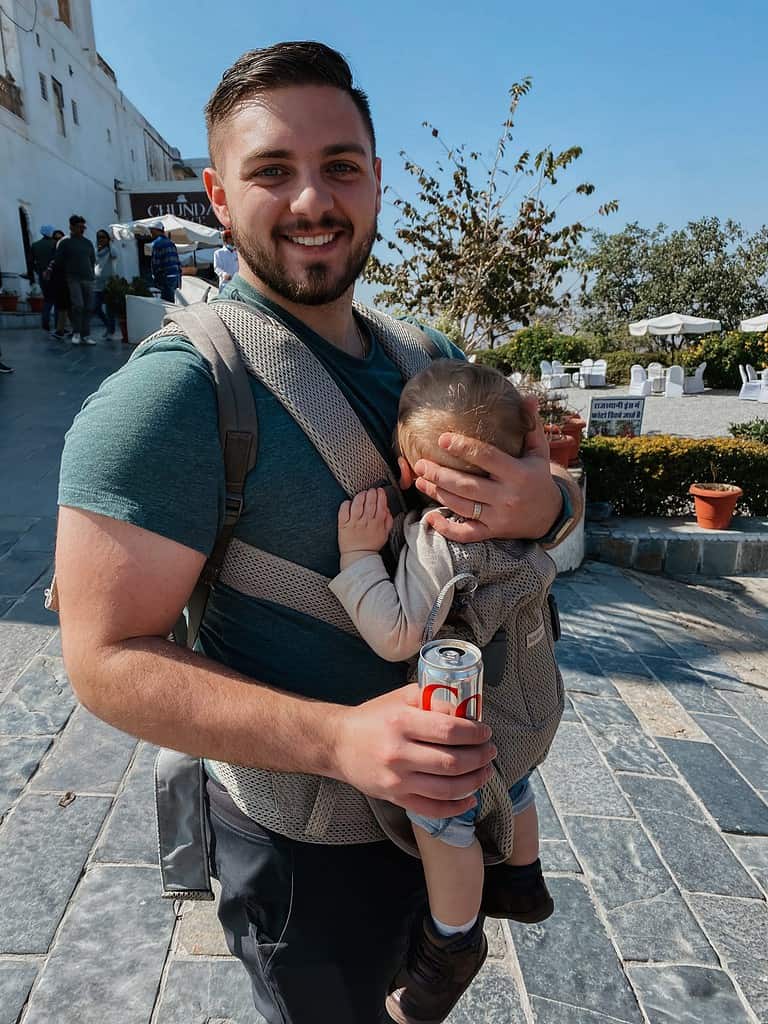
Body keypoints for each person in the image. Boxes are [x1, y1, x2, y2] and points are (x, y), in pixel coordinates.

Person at [54, 42, 581, 1024]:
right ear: (218, 193)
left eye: (340, 165)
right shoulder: (172, 398)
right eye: (271, 171)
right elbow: (103, 658)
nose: (312, 200)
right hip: (308, 858)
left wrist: (547, 507)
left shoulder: (430, 356)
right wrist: (342, 739)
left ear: (378, 183)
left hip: (446, 822)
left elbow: (540, 510)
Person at [332, 359, 560, 1022]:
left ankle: (453, 943)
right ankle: (522, 879)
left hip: (472, 719)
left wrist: (356, 559)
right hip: (531, 706)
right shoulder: (517, 520)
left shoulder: (444, 544)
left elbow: (399, 633)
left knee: (443, 819)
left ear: (407, 472)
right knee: (515, 783)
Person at [54, 215, 96, 345]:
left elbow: (92, 260)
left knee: (89, 307)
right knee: (78, 305)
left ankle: (86, 334)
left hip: (88, 278)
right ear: (71, 227)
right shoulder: (64, 242)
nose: (82, 229)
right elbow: (59, 261)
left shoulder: (87, 242)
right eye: (79, 227)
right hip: (73, 278)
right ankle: (76, 332)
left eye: (83, 227)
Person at [93, 230, 120, 340]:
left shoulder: (111, 250)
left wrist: (110, 244)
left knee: (110, 309)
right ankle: (108, 326)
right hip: (97, 284)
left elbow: (115, 256)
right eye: (99, 237)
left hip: (109, 284)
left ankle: (111, 330)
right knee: (96, 307)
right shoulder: (95, 251)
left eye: (103, 237)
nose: (101, 239)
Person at [30, 225, 58, 331]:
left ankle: (45, 322)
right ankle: (57, 325)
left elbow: (31, 262)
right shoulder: (55, 244)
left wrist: (37, 271)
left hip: (42, 275)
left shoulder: (35, 245)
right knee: (56, 301)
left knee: (47, 299)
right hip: (54, 275)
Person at [47, 230, 71, 341]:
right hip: (60, 286)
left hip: (67, 285)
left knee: (65, 308)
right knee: (63, 308)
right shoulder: (55, 257)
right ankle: (63, 329)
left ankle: (63, 330)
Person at [149, 221, 182, 301]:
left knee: (167, 304)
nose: (150, 233)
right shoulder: (171, 243)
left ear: (156, 230)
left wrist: (155, 278)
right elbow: (177, 261)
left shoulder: (157, 243)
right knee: (172, 302)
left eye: (152, 230)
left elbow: (155, 263)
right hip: (175, 276)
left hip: (165, 277)